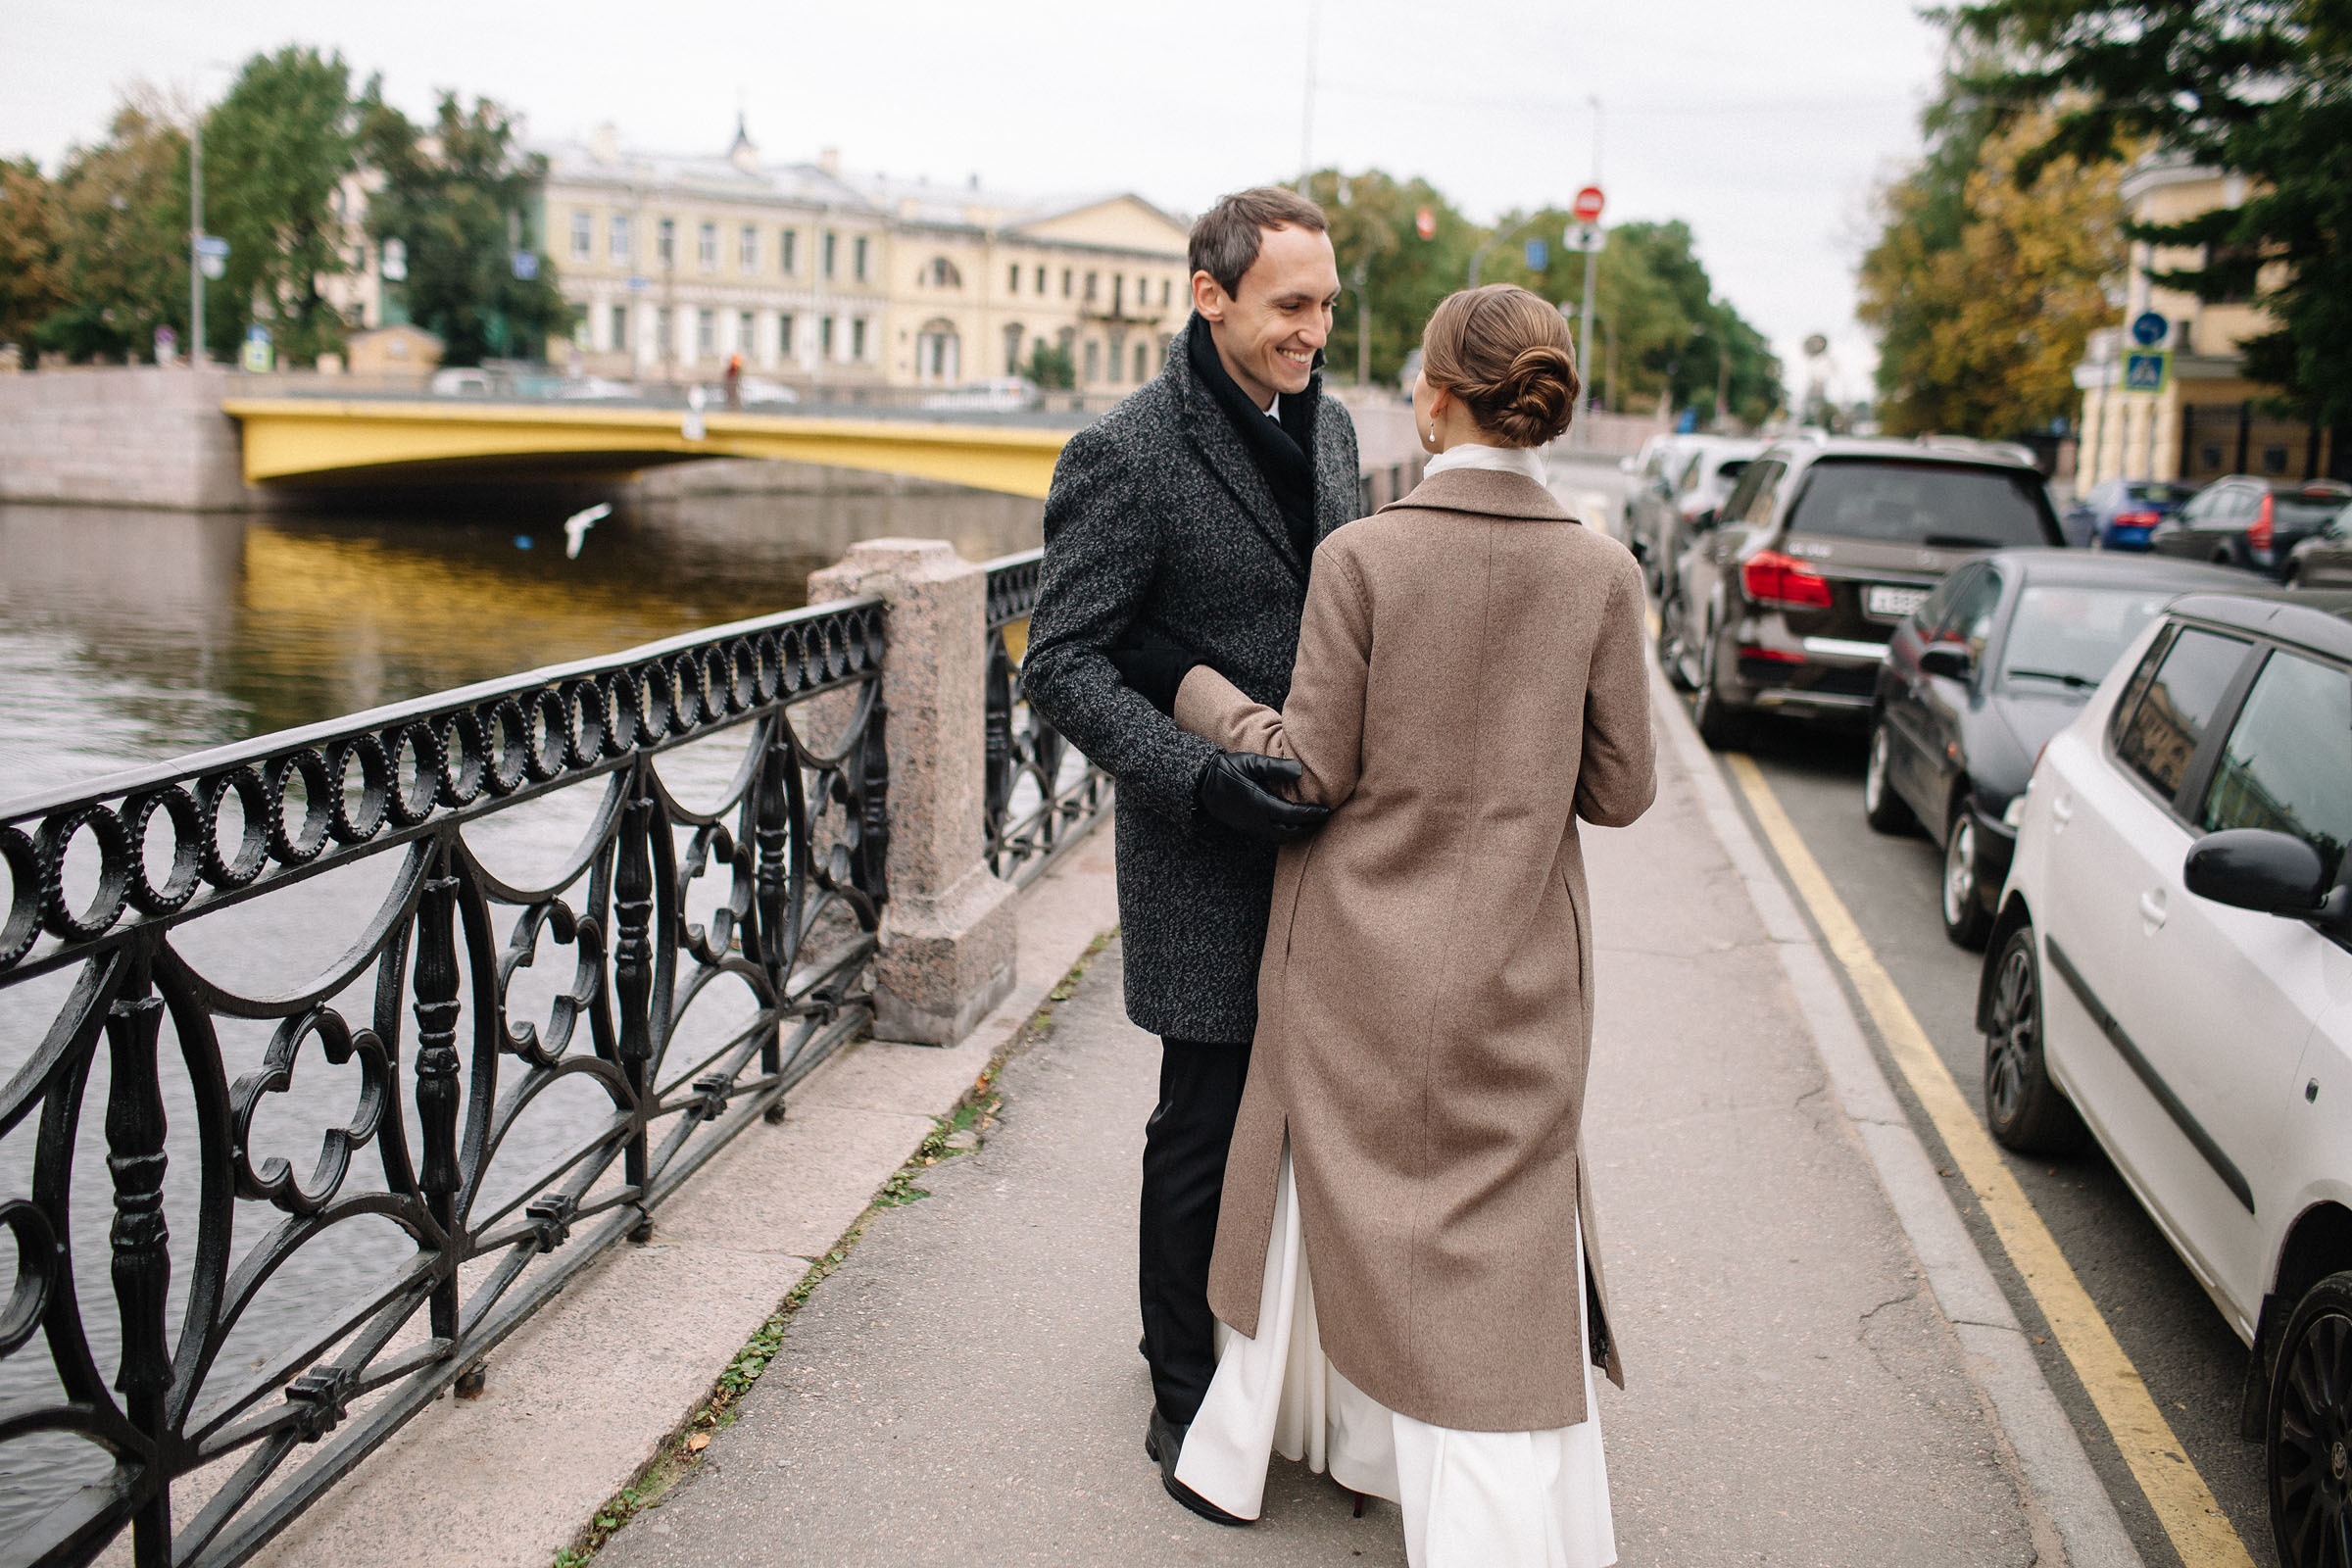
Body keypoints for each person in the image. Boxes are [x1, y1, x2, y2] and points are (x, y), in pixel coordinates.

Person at [1122, 284, 1655, 1564]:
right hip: (1520, 965)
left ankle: (1270, 1442)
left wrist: (1197, 689)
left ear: (1429, 397)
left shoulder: (1361, 557)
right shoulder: (1598, 571)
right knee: (1497, 1224)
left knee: (1330, 1196)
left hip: (1357, 956)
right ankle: (1497, 1501)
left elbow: (1307, 773)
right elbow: (1621, 791)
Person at [1019, 187, 1360, 1504]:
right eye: (1292, 305)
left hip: (1323, 848)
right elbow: (1059, 665)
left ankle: (1276, 1369)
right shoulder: (1126, 452)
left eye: (1328, 305)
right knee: (1205, 1128)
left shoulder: (1328, 430)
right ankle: (1183, 1391)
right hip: (1203, 852)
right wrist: (1200, 778)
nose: (1315, 331)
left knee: (1310, 1125)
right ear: (1210, 296)